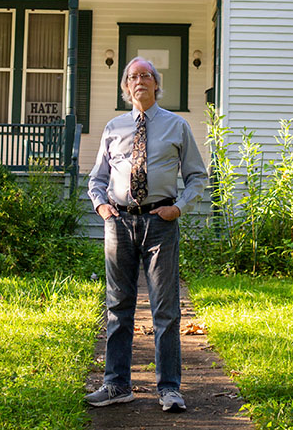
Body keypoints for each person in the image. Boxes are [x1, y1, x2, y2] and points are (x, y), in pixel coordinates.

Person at [84, 56, 208, 414]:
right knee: (117, 306)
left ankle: (169, 388)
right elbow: (97, 178)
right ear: (126, 87)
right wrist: (101, 207)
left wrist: (179, 207)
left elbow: (197, 176)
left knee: (165, 309)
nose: (139, 81)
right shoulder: (113, 127)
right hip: (119, 222)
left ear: (156, 83)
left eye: (145, 75)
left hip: (160, 222)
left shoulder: (176, 126)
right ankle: (116, 385)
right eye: (132, 76)